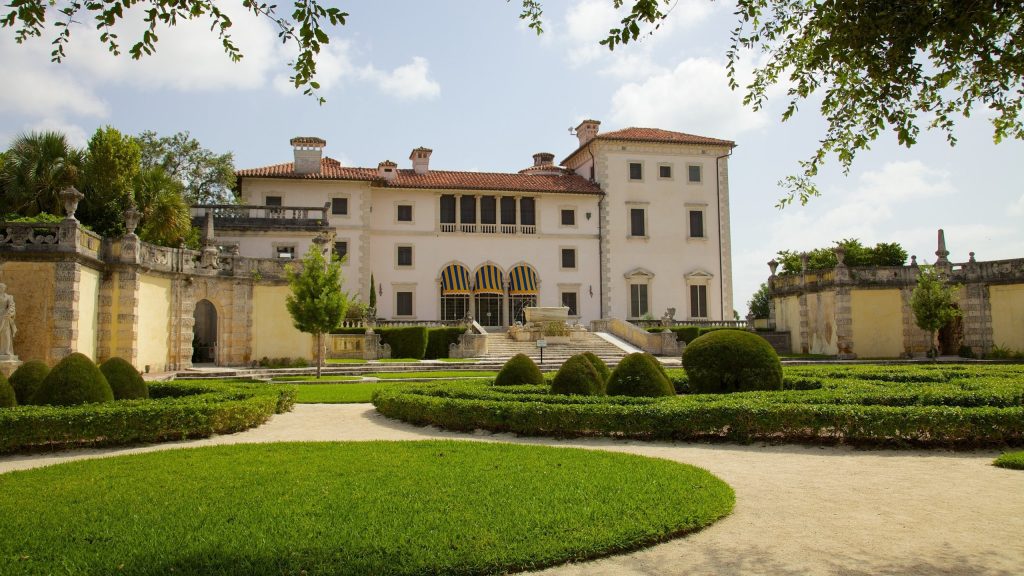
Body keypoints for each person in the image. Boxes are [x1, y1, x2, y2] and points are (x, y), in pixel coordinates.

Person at [0, 283, 16, 357]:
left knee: (6, 333)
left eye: (2, 287)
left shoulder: (9, 297)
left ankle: (6, 350)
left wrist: (9, 313)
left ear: (4, 288)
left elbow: (12, 306)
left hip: (4, 316)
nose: (1, 288)